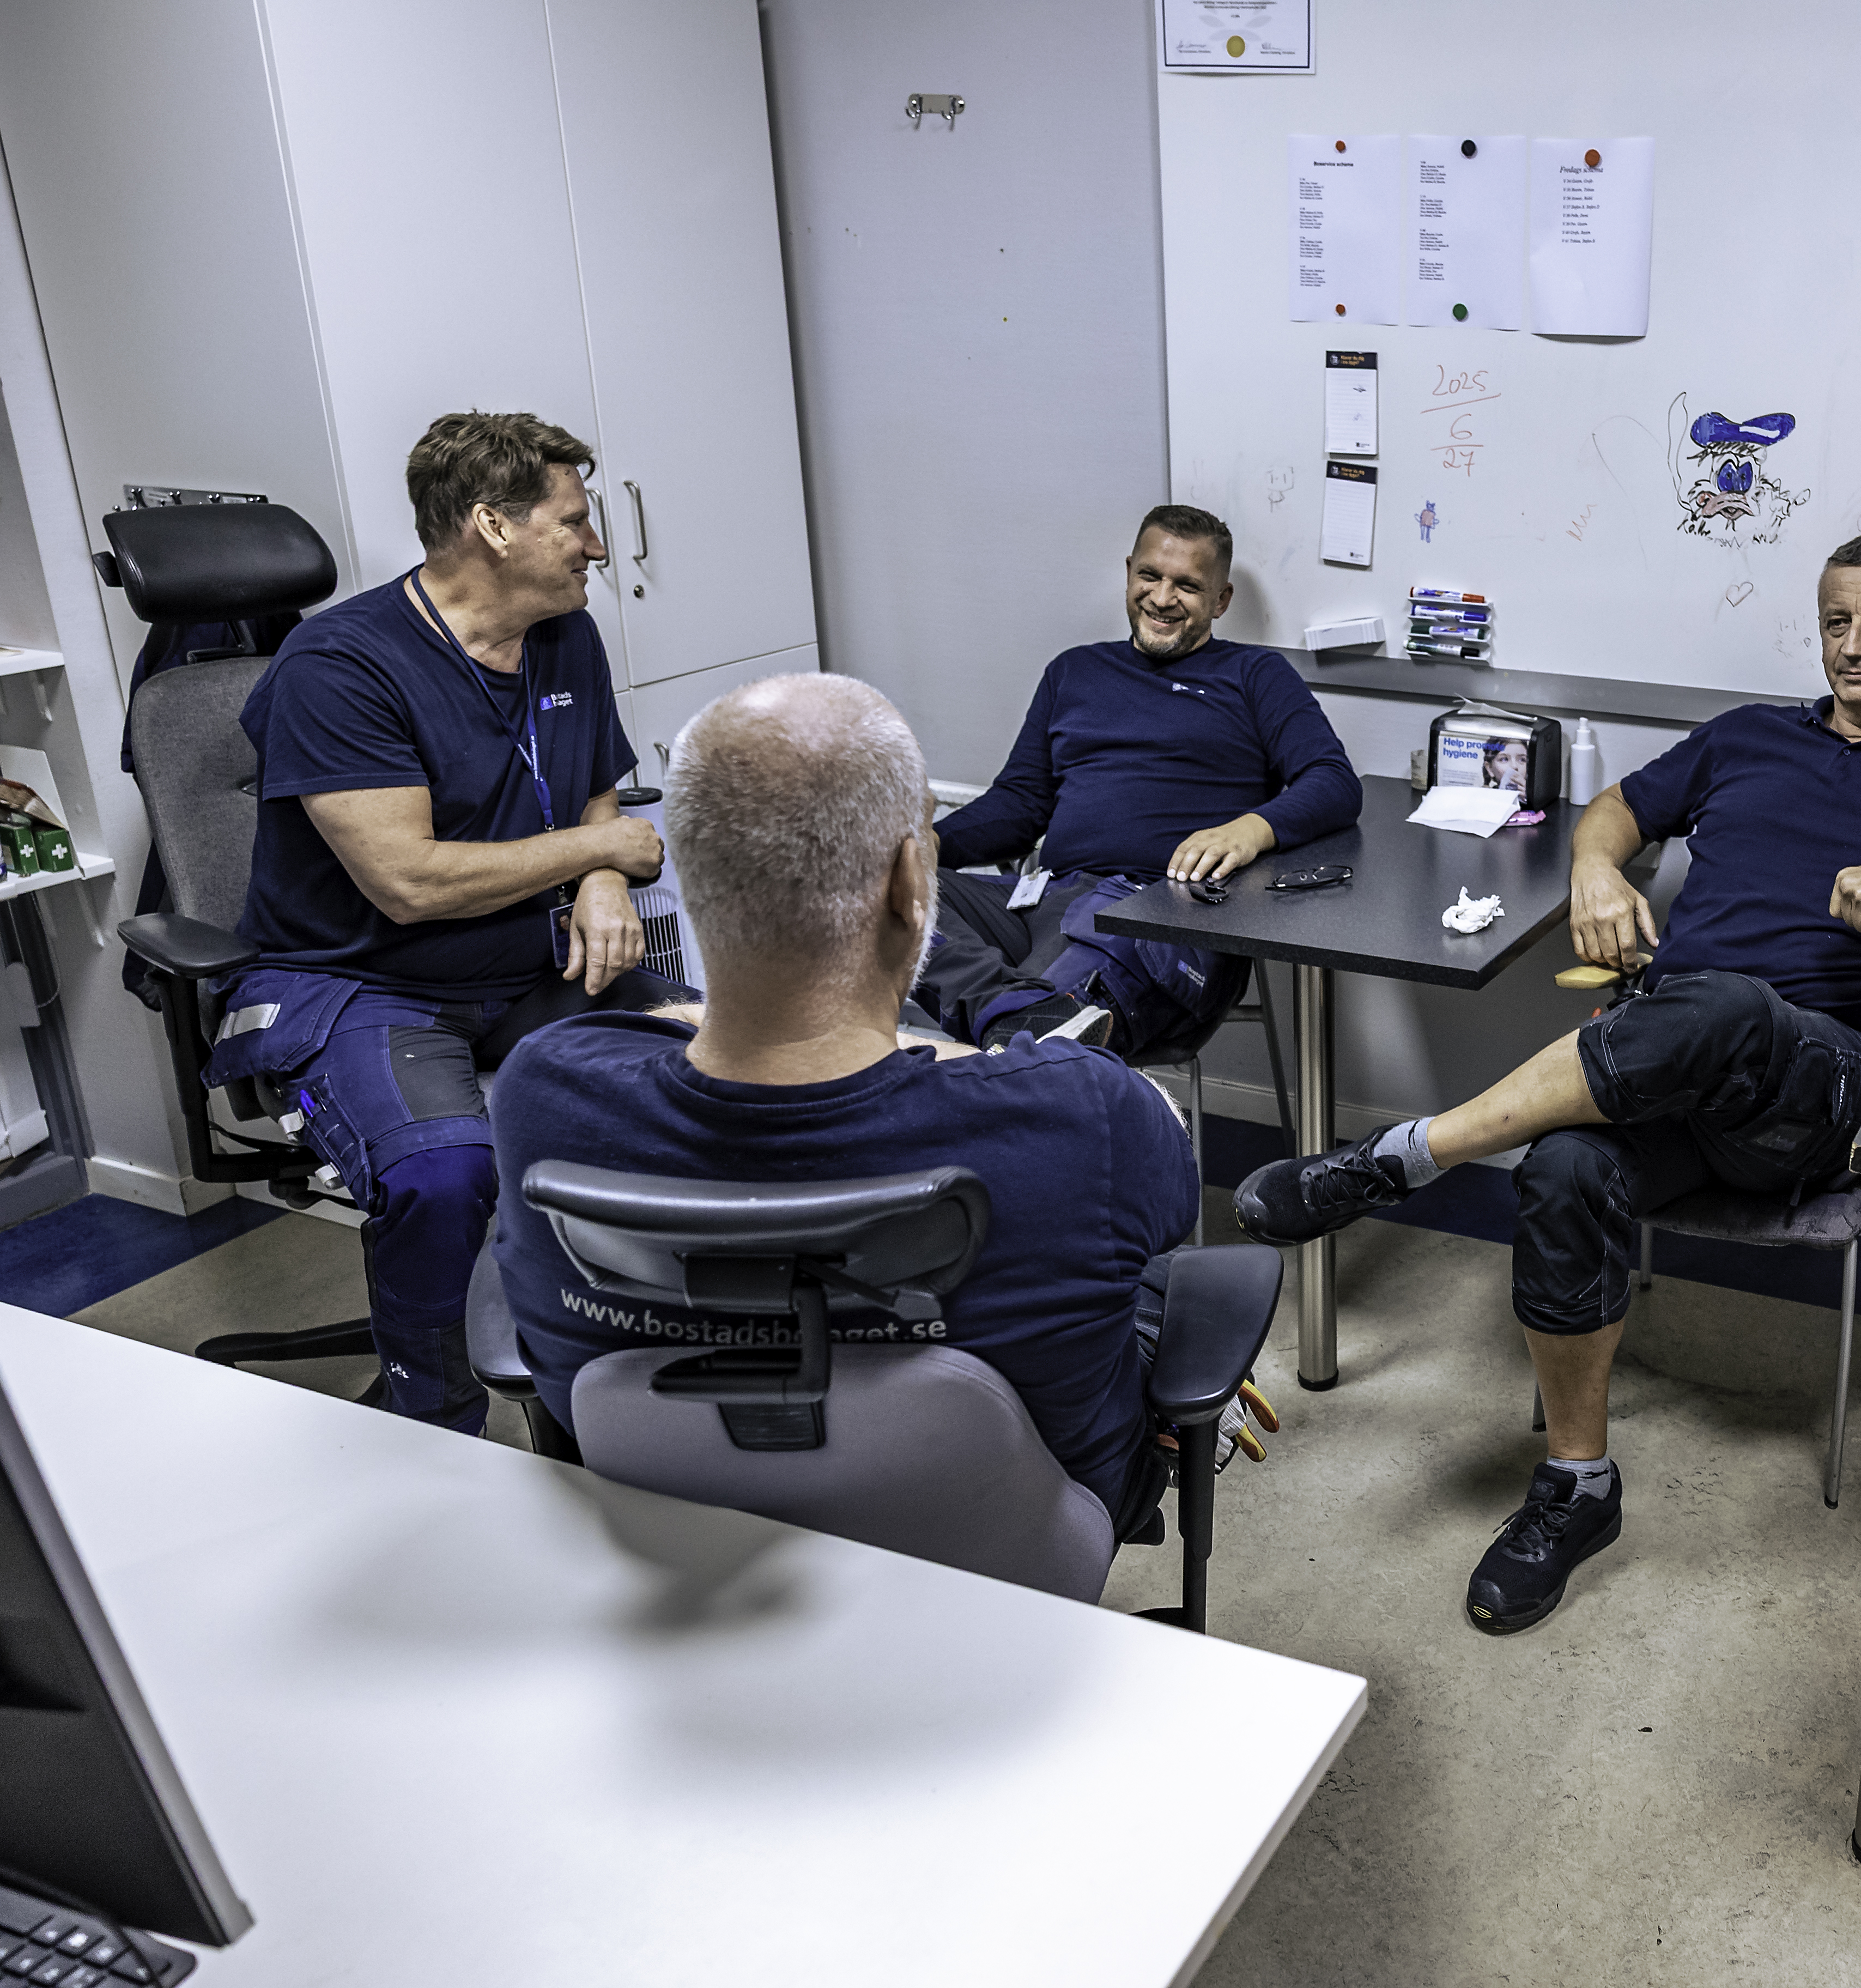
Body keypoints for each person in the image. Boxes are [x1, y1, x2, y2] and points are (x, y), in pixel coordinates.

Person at [1233, 531, 1861, 1634]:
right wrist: (1592, 868)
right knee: (1566, 1166)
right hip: (1671, 1064)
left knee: (1726, 1008)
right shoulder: (1748, 738)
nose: (1854, 647)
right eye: (1837, 623)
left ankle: (1406, 1156)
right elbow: (1618, 808)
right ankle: (1578, 1488)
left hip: (1824, 1089)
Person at [489, 674, 1275, 1523]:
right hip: (1008, 1547)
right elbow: (1167, 1162)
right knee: (1139, 1272)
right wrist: (946, 1050)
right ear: (912, 885)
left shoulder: (544, 1092)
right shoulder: (1079, 1113)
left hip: (678, 1520)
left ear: (691, 875)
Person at [206, 411, 681, 1433]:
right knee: (442, 1169)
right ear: (493, 528)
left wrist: (600, 874)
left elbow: (598, 786)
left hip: (523, 961)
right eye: (575, 521)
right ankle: (434, 1417)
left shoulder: (565, 633)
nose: (598, 545)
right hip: (365, 979)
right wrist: (600, 855)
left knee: (712, 1068)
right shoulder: (339, 665)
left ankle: (608, 1380)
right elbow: (408, 883)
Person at [918, 505, 1361, 1058]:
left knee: (1054, 1023)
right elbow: (1020, 803)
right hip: (1045, 897)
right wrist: (930, 844)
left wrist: (1251, 830)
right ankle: (1011, 1015)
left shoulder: (1256, 676)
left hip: (1160, 910)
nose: (1162, 597)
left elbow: (1334, 782)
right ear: (1130, 573)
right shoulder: (1073, 672)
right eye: (1149, 576)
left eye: (1188, 585)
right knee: (875, 888)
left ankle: (1020, 1029)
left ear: (1220, 601)